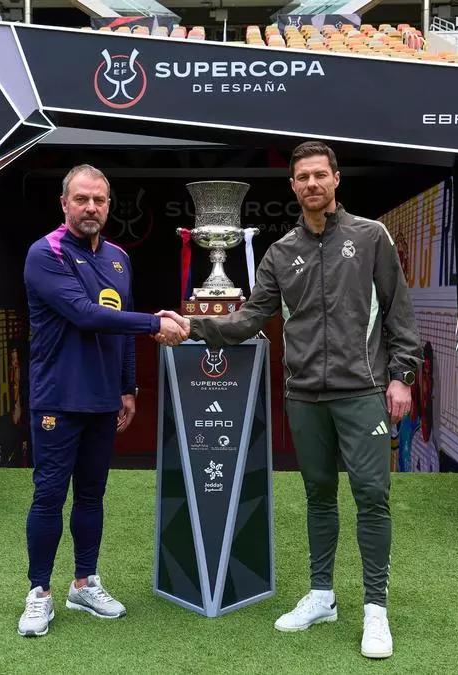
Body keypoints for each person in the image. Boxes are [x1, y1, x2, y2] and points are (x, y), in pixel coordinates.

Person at [157, 141, 422, 659]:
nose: (312, 184)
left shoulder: (370, 237)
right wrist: (194, 327)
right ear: (294, 186)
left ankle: (375, 609)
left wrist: (402, 377)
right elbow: (251, 317)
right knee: (319, 495)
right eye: (302, 177)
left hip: (363, 390)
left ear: (336, 179)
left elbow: (399, 313)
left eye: (320, 175)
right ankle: (322, 595)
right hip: (304, 394)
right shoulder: (282, 253)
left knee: (372, 497)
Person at [19, 164, 187, 637]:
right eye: (81, 199)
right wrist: (155, 323)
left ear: (110, 205)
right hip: (57, 398)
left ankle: (84, 582)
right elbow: (86, 316)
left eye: (99, 200)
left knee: (92, 495)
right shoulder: (45, 253)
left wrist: (128, 388)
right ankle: (39, 593)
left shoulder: (117, 257)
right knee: (50, 497)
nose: (90, 208)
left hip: (102, 400)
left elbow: (116, 331)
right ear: (64, 204)